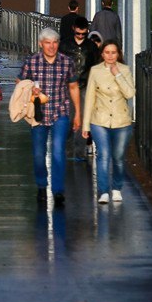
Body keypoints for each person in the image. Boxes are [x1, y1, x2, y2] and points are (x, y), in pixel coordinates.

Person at [18, 27, 82, 206]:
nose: (52, 46)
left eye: (54, 43)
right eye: (48, 43)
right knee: (39, 154)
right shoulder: (31, 62)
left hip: (60, 112)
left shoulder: (66, 62)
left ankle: (58, 190)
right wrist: (31, 88)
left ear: (58, 44)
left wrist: (77, 113)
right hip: (38, 115)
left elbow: (73, 87)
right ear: (41, 44)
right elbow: (20, 82)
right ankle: (41, 185)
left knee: (58, 151)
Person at [82, 40, 135, 204]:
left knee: (118, 157)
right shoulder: (95, 71)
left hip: (121, 121)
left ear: (118, 54)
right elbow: (90, 97)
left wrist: (117, 74)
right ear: (102, 54)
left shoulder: (125, 70)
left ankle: (117, 188)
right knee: (103, 155)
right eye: (107, 52)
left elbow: (130, 93)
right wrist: (86, 125)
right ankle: (103, 191)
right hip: (100, 120)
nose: (110, 56)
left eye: (113, 52)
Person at [61, 17, 100, 92]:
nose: (80, 36)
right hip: (67, 85)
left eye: (83, 34)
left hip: (86, 85)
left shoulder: (92, 46)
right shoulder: (64, 45)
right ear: (73, 28)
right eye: (78, 33)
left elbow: (96, 64)